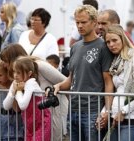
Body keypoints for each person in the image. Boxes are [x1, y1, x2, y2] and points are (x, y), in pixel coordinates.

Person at [51, 5, 114, 141]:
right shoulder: (75, 47)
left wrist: (107, 111)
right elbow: (71, 79)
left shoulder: (103, 46)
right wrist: (58, 86)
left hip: (93, 110)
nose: (79, 26)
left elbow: (108, 82)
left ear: (94, 22)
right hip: (73, 109)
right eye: (77, 22)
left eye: (83, 22)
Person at [0, 43, 66, 141]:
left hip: (53, 111)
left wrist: (50, 91)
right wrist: (14, 91)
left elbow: (64, 81)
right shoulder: (18, 78)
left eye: (5, 61)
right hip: (33, 120)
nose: (4, 65)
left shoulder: (40, 66)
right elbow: (13, 106)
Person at [102, 24, 134, 141]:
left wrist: (124, 111)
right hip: (115, 117)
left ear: (123, 39)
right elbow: (115, 90)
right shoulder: (116, 61)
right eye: (108, 42)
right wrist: (105, 111)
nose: (111, 44)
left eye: (114, 40)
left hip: (132, 118)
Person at [3, 56, 51, 141]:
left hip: (42, 123)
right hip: (29, 124)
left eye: (19, 73)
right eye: (14, 72)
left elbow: (22, 105)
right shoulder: (16, 82)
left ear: (29, 73)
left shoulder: (31, 82)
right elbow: (6, 106)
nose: (15, 75)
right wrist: (12, 92)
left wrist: (18, 91)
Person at [0, 59, 24, 141]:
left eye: (0, 75)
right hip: (0, 121)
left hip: (15, 122)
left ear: (8, 74)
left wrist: (5, 90)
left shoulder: (14, 85)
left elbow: (17, 107)